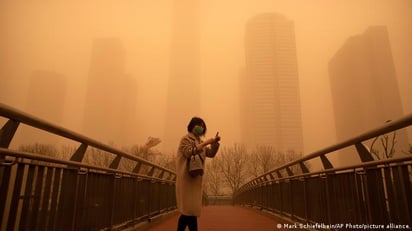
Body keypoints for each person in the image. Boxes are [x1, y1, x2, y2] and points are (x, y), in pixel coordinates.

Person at [175, 117, 221, 231]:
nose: (200, 128)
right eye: (198, 125)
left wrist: (214, 144)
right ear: (192, 126)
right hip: (186, 179)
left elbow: (210, 153)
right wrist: (206, 143)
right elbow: (189, 152)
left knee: (190, 212)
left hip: (195, 179)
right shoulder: (185, 139)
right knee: (188, 212)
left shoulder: (200, 142)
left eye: (202, 126)